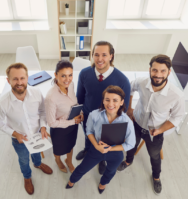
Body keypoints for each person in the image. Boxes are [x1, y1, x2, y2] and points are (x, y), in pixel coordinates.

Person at [117, 54, 185, 195]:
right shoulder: (142, 82)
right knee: (131, 145)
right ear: (149, 70)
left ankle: (156, 177)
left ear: (169, 72)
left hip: (155, 131)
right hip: (136, 123)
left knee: (154, 156)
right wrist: (129, 108)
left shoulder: (176, 95)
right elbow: (130, 86)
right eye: (155, 70)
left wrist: (160, 130)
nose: (158, 75)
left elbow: (177, 117)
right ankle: (128, 161)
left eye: (162, 71)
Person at [0, 63, 53, 195]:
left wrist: (43, 126)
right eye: (15, 79)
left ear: (27, 78)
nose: (19, 82)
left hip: (37, 134)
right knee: (24, 159)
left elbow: (43, 111)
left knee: (36, 152)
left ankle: (38, 164)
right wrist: (14, 133)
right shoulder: (1, 104)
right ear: (8, 81)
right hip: (19, 140)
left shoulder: (37, 93)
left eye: (22, 78)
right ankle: (27, 177)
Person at [66, 86, 135, 194]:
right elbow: (89, 131)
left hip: (115, 153)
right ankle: (72, 180)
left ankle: (103, 183)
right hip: (96, 149)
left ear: (121, 102)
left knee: (111, 170)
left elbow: (130, 143)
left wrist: (110, 149)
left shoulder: (127, 122)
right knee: (82, 168)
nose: (110, 104)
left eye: (115, 100)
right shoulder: (94, 115)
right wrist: (97, 146)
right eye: (107, 100)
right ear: (103, 101)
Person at [76, 41, 131, 175]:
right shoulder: (84, 74)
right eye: (96, 55)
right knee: (88, 135)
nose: (100, 59)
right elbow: (80, 97)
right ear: (92, 56)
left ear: (111, 56)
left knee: (104, 143)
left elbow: (124, 107)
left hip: (108, 122)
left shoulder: (122, 80)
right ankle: (87, 149)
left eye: (104, 55)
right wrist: (82, 112)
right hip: (88, 116)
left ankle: (101, 160)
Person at [45, 60, 83, 173]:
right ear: (55, 75)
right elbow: (51, 123)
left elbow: (73, 103)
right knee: (58, 149)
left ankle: (69, 161)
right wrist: (72, 122)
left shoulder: (71, 85)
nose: (68, 79)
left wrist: (80, 114)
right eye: (63, 76)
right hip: (59, 129)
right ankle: (58, 160)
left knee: (71, 144)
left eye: (70, 75)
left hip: (73, 124)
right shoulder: (51, 97)